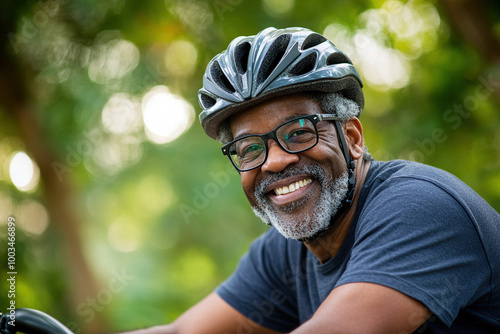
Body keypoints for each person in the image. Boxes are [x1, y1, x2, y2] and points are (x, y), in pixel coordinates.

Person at [127, 27, 500, 333]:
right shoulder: (285, 252)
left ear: (352, 138)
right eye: (250, 148)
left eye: (298, 131)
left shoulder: (420, 207)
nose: (275, 161)